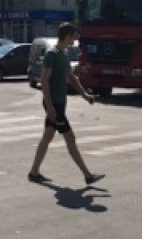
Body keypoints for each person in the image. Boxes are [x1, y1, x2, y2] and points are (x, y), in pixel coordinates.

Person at [28, 22, 105, 185]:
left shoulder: (63, 54)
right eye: (74, 35)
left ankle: (34, 172)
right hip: (54, 104)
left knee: (47, 138)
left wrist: (85, 95)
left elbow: (71, 77)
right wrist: (49, 106)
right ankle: (87, 175)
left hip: (58, 103)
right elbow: (44, 80)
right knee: (70, 138)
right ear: (67, 36)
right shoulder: (52, 54)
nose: (76, 38)